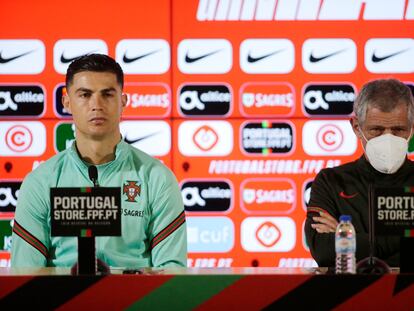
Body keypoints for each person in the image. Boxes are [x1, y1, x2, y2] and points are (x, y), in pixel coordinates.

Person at [11, 54, 187, 268]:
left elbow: (171, 272)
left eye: (107, 94)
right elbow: (25, 274)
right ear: (67, 102)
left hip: (136, 301)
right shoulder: (40, 182)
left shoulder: (157, 178)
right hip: (62, 300)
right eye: (85, 95)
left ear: (123, 101)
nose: (97, 105)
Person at [305, 78, 414, 268]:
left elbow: (341, 250)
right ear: (357, 127)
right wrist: (402, 238)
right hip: (349, 295)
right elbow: (324, 251)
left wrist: (348, 237)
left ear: (411, 128)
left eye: (398, 130)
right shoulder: (331, 182)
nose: (387, 138)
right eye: (376, 130)